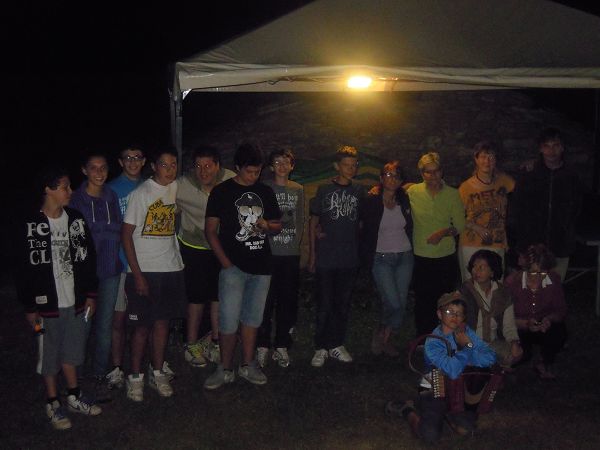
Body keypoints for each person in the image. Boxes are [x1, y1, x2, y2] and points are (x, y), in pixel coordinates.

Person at [15, 165, 102, 430]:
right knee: (48, 352)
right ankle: (52, 402)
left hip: (74, 302)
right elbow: (23, 268)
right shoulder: (31, 225)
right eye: (65, 187)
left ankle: (74, 395)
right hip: (46, 306)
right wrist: (30, 307)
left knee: (73, 349)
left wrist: (90, 294)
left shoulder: (75, 220)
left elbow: (88, 258)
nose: (70, 191)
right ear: (48, 189)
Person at [203, 142, 281, 390]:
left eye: (257, 171)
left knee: (252, 319)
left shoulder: (265, 192)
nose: (253, 176)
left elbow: (277, 225)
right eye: (249, 171)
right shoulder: (221, 192)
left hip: (261, 266)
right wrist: (226, 263)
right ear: (237, 167)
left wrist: (267, 225)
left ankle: (248, 365)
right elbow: (210, 230)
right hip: (233, 268)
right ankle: (225, 368)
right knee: (228, 320)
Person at [121, 147, 187, 401]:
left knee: (162, 323)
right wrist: (137, 275)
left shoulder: (175, 188)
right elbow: (126, 235)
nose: (169, 170)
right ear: (153, 167)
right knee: (141, 327)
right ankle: (135, 376)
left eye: (173, 165)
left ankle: (157, 371)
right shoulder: (141, 194)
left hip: (171, 267)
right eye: (164, 165)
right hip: (145, 270)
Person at [387, 292, 496, 444]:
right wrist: (468, 350)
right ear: (439, 314)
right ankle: (407, 410)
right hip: (432, 387)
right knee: (430, 434)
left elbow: (490, 356)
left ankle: (449, 414)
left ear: (463, 317)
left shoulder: (466, 333)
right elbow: (452, 370)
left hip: (459, 388)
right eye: (449, 311)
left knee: (466, 429)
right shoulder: (433, 341)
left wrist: (468, 347)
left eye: (459, 313)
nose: (454, 316)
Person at [70, 151, 122, 401]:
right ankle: (76, 375)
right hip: (85, 275)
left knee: (105, 325)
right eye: (94, 167)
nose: (99, 172)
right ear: (84, 170)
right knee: (83, 325)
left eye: (103, 168)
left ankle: (99, 372)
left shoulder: (111, 196)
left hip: (110, 270)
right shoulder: (76, 200)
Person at [176, 146, 235, 367]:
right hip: (194, 246)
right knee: (196, 298)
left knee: (219, 296)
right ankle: (191, 344)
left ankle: (215, 341)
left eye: (208, 165)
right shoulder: (182, 185)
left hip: (221, 246)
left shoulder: (230, 180)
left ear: (218, 166)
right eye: (198, 166)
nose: (203, 171)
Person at [308, 145, 365, 367]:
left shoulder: (359, 191)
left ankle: (336, 344)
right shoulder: (324, 190)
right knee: (324, 304)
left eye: (354, 165)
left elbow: (362, 221)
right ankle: (321, 346)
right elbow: (313, 222)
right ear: (337, 166)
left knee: (342, 304)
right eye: (346, 165)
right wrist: (312, 255)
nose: (350, 169)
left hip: (349, 258)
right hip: (326, 257)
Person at [512, 128, 582, 281]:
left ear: (562, 147)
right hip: (532, 247)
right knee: (531, 290)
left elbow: (577, 208)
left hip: (560, 246)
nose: (551, 151)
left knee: (554, 290)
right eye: (547, 146)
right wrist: (522, 246)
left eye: (555, 145)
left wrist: (568, 232)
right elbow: (518, 210)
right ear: (540, 149)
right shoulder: (528, 174)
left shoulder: (571, 176)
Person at [407, 152, 465, 337]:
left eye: (436, 171)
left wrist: (443, 232)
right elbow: (391, 191)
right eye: (428, 172)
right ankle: (424, 339)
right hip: (421, 256)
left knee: (446, 301)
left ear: (442, 171)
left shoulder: (452, 194)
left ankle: (445, 337)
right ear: (422, 173)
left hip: (445, 256)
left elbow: (460, 225)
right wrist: (376, 189)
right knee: (423, 301)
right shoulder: (413, 191)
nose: (433, 175)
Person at [105, 145, 149, 390]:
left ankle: (143, 364)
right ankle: (116, 367)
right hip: (121, 263)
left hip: (146, 262)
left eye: (137, 157)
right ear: (121, 162)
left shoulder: (149, 186)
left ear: (144, 161)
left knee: (143, 318)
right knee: (119, 319)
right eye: (128, 158)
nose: (133, 162)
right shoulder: (111, 189)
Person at [256, 148, 304, 368]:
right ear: (271, 166)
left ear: (292, 166)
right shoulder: (264, 188)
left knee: (287, 301)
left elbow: (300, 219)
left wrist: (298, 246)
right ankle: (262, 344)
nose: (282, 166)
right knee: (265, 301)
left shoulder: (298, 189)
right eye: (277, 162)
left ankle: (282, 345)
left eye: (286, 162)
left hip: (290, 254)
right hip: (268, 253)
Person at [360, 160, 413, 357]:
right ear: (381, 178)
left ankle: (386, 339)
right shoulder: (371, 200)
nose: (392, 179)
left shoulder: (404, 199)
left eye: (397, 176)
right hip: (381, 258)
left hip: (405, 257)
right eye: (389, 174)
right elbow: (358, 224)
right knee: (393, 302)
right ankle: (382, 330)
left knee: (401, 301)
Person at [505, 244, 567, 379]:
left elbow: (561, 310)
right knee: (520, 354)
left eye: (543, 273)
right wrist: (525, 324)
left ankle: (544, 362)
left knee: (558, 332)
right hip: (519, 326)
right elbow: (503, 318)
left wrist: (549, 319)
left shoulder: (554, 279)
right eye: (533, 272)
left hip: (543, 324)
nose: (538, 277)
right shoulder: (512, 283)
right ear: (525, 269)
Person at [458, 141, 515, 281]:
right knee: (472, 285)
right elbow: (456, 216)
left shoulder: (504, 181)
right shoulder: (465, 187)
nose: (487, 161)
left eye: (491, 157)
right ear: (476, 159)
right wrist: (475, 227)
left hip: (497, 242)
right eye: (483, 157)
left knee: (496, 285)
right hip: (472, 244)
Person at [460, 250, 523, 368]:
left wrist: (514, 342)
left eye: (481, 267)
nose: (475, 271)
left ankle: (494, 372)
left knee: (515, 353)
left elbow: (509, 325)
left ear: (492, 272)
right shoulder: (464, 291)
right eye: (474, 266)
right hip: (469, 343)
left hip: (492, 342)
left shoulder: (503, 293)